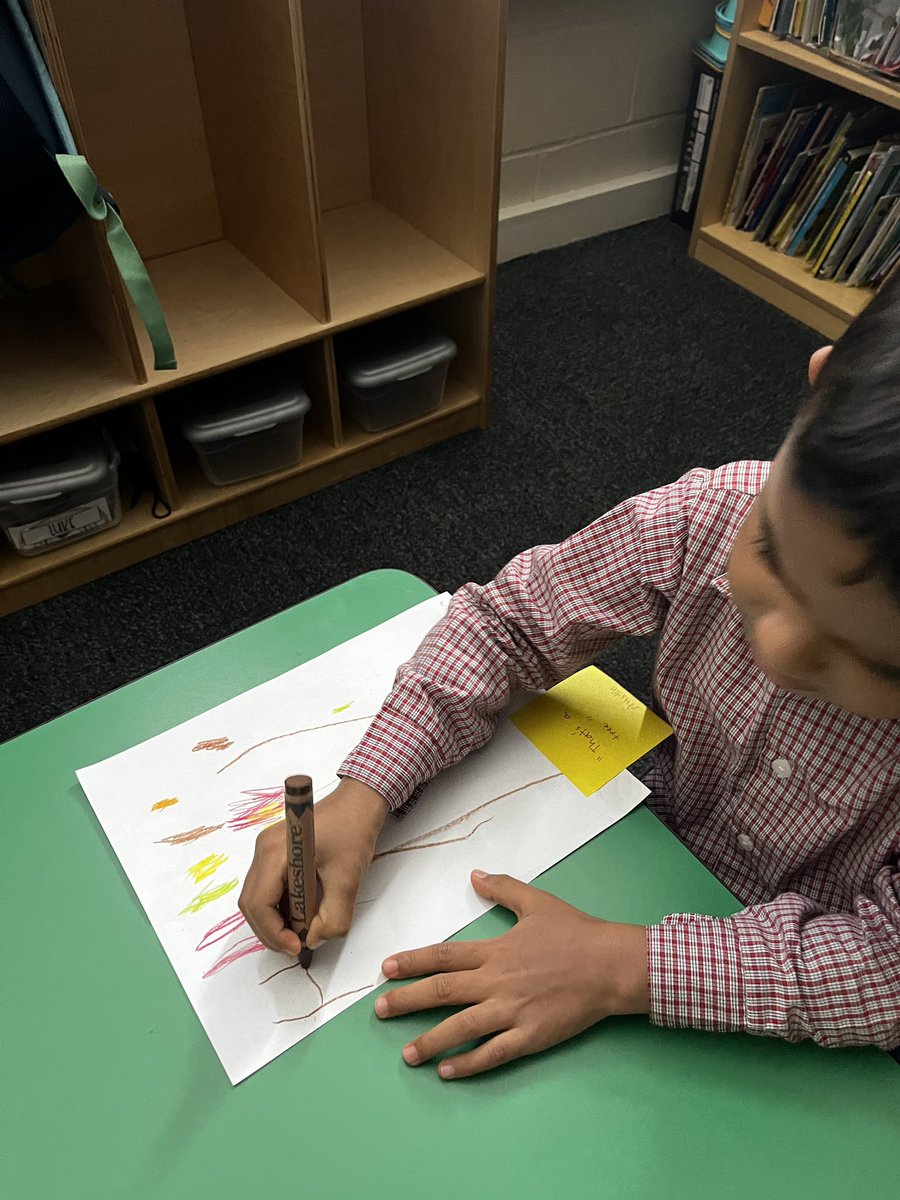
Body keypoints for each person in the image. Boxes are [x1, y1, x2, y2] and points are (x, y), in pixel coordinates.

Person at [240, 272, 900, 1078]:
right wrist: (366, 791)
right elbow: (509, 624)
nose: (783, 649)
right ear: (820, 386)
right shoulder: (711, 511)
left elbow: (886, 965)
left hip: (785, 1027)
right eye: (773, 555)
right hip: (639, 842)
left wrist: (625, 968)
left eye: (876, 662)